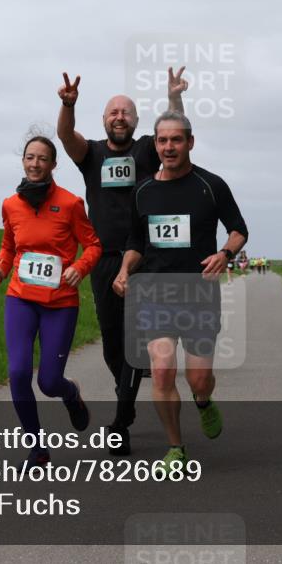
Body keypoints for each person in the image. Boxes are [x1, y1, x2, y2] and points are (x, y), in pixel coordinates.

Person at [56, 68, 187, 456]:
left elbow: (173, 128)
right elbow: (65, 136)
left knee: (134, 339)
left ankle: (120, 419)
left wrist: (174, 96)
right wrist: (67, 106)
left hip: (144, 259)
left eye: (126, 112)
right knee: (113, 343)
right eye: (113, 112)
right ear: (103, 120)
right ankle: (124, 396)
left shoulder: (146, 149)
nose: (119, 117)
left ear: (135, 121)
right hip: (103, 260)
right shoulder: (92, 154)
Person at [112, 110, 248, 469]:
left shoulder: (211, 185)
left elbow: (238, 229)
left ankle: (203, 401)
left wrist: (225, 253)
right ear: (154, 144)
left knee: (199, 379)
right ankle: (176, 447)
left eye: (176, 140)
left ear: (190, 142)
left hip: (199, 295)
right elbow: (135, 241)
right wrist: (125, 269)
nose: (168, 147)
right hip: (157, 294)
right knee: (161, 369)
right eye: (162, 140)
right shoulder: (143, 191)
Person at [0, 135, 102, 469]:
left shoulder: (71, 203)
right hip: (20, 298)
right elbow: (9, 246)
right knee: (18, 373)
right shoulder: (10, 204)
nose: (35, 164)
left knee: (48, 382)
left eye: (42, 159)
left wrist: (80, 267)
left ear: (53, 164)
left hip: (60, 302)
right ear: (23, 160)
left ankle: (70, 394)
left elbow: (93, 245)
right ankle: (37, 449)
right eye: (29, 157)